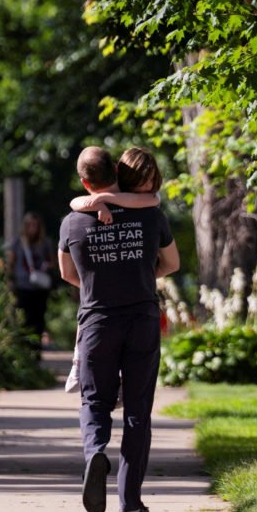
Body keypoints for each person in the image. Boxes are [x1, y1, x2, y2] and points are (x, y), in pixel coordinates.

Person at [58, 145, 179, 512]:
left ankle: (96, 453)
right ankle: (131, 500)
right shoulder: (151, 214)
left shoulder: (71, 223)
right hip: (141, 319)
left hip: (97, 322)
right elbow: (171, 264)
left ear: (83, 181)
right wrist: (140, 274)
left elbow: (67, 274)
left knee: (95, 402)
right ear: (116, 170)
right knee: (138, 411)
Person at [65, 146, 163, 393]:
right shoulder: (143, 210)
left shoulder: (148, 202)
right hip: (137, 305)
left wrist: (102, 200)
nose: (149, 185)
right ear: (118, 172)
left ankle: (83, 362)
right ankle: (81, 361)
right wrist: (97, 203)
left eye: (152, 180)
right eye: (145, 179)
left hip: (103, 310)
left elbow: (152, 199)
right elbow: (75, 201)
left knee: (90, 309)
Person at [5, 211, 54, 355]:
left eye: (36, 225)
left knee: (38, 320)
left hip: (40, 288)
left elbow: (52, 262)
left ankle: (36, 352)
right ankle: (24, 352)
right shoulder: (17, 243)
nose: (33, 228)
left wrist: (46, 266)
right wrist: (10, 283)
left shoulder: (45, 243)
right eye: (30, 225)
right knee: (23, 320)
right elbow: (11, 264)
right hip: (22, 287)